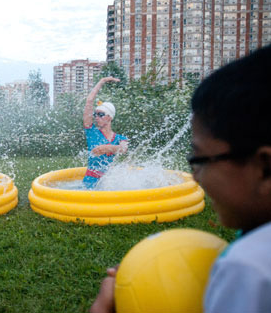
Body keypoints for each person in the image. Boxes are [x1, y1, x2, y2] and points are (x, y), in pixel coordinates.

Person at [90, 45, 271, 313]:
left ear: (264, 168)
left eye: (199, 160)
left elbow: (123, 149)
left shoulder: (247, 268)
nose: (195, 177)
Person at [82, 77, 128, 189]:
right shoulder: (91, 132)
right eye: (95, 114)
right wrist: (102, 81)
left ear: (110, 117)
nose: (97, 117)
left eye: (101, 114)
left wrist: (108, 148)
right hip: (90, 181)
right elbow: (89, 101)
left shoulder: (120, 138)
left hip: (108, 181)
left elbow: (123, 148)